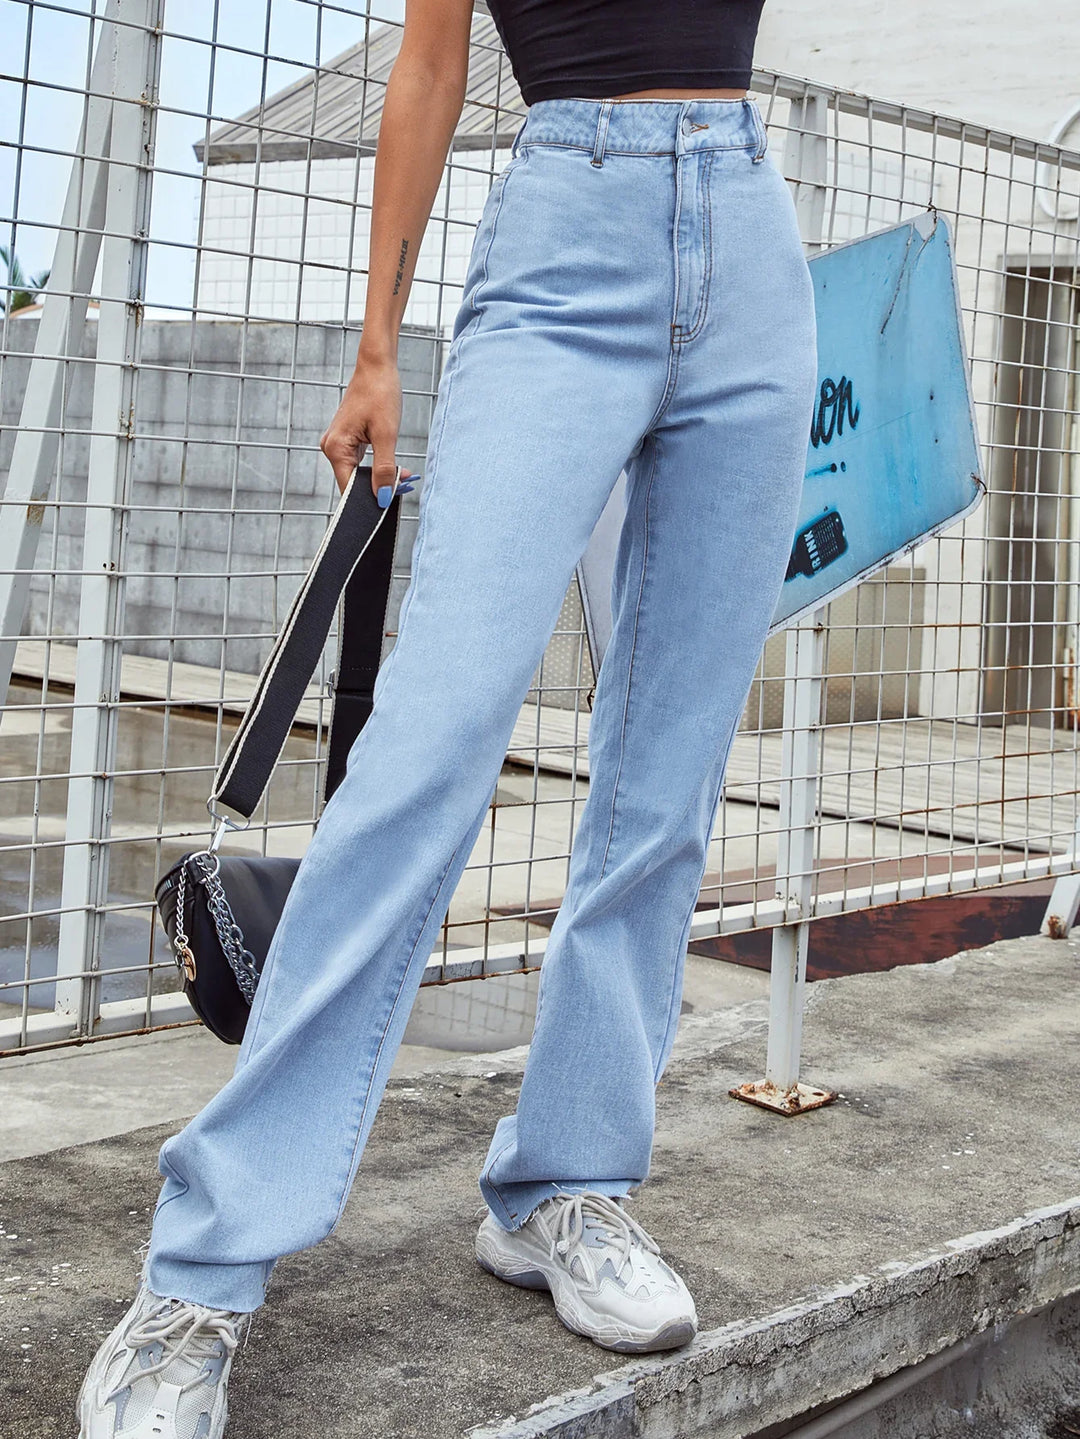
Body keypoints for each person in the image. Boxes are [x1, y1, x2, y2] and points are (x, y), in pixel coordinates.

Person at [77, 0, 817, 1432]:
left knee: (667, 776)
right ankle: (205, 1263)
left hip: (749, 236)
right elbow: (425, 63)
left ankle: (564, 1184)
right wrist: (376, 349)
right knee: (427, 749)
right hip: (565, 245)